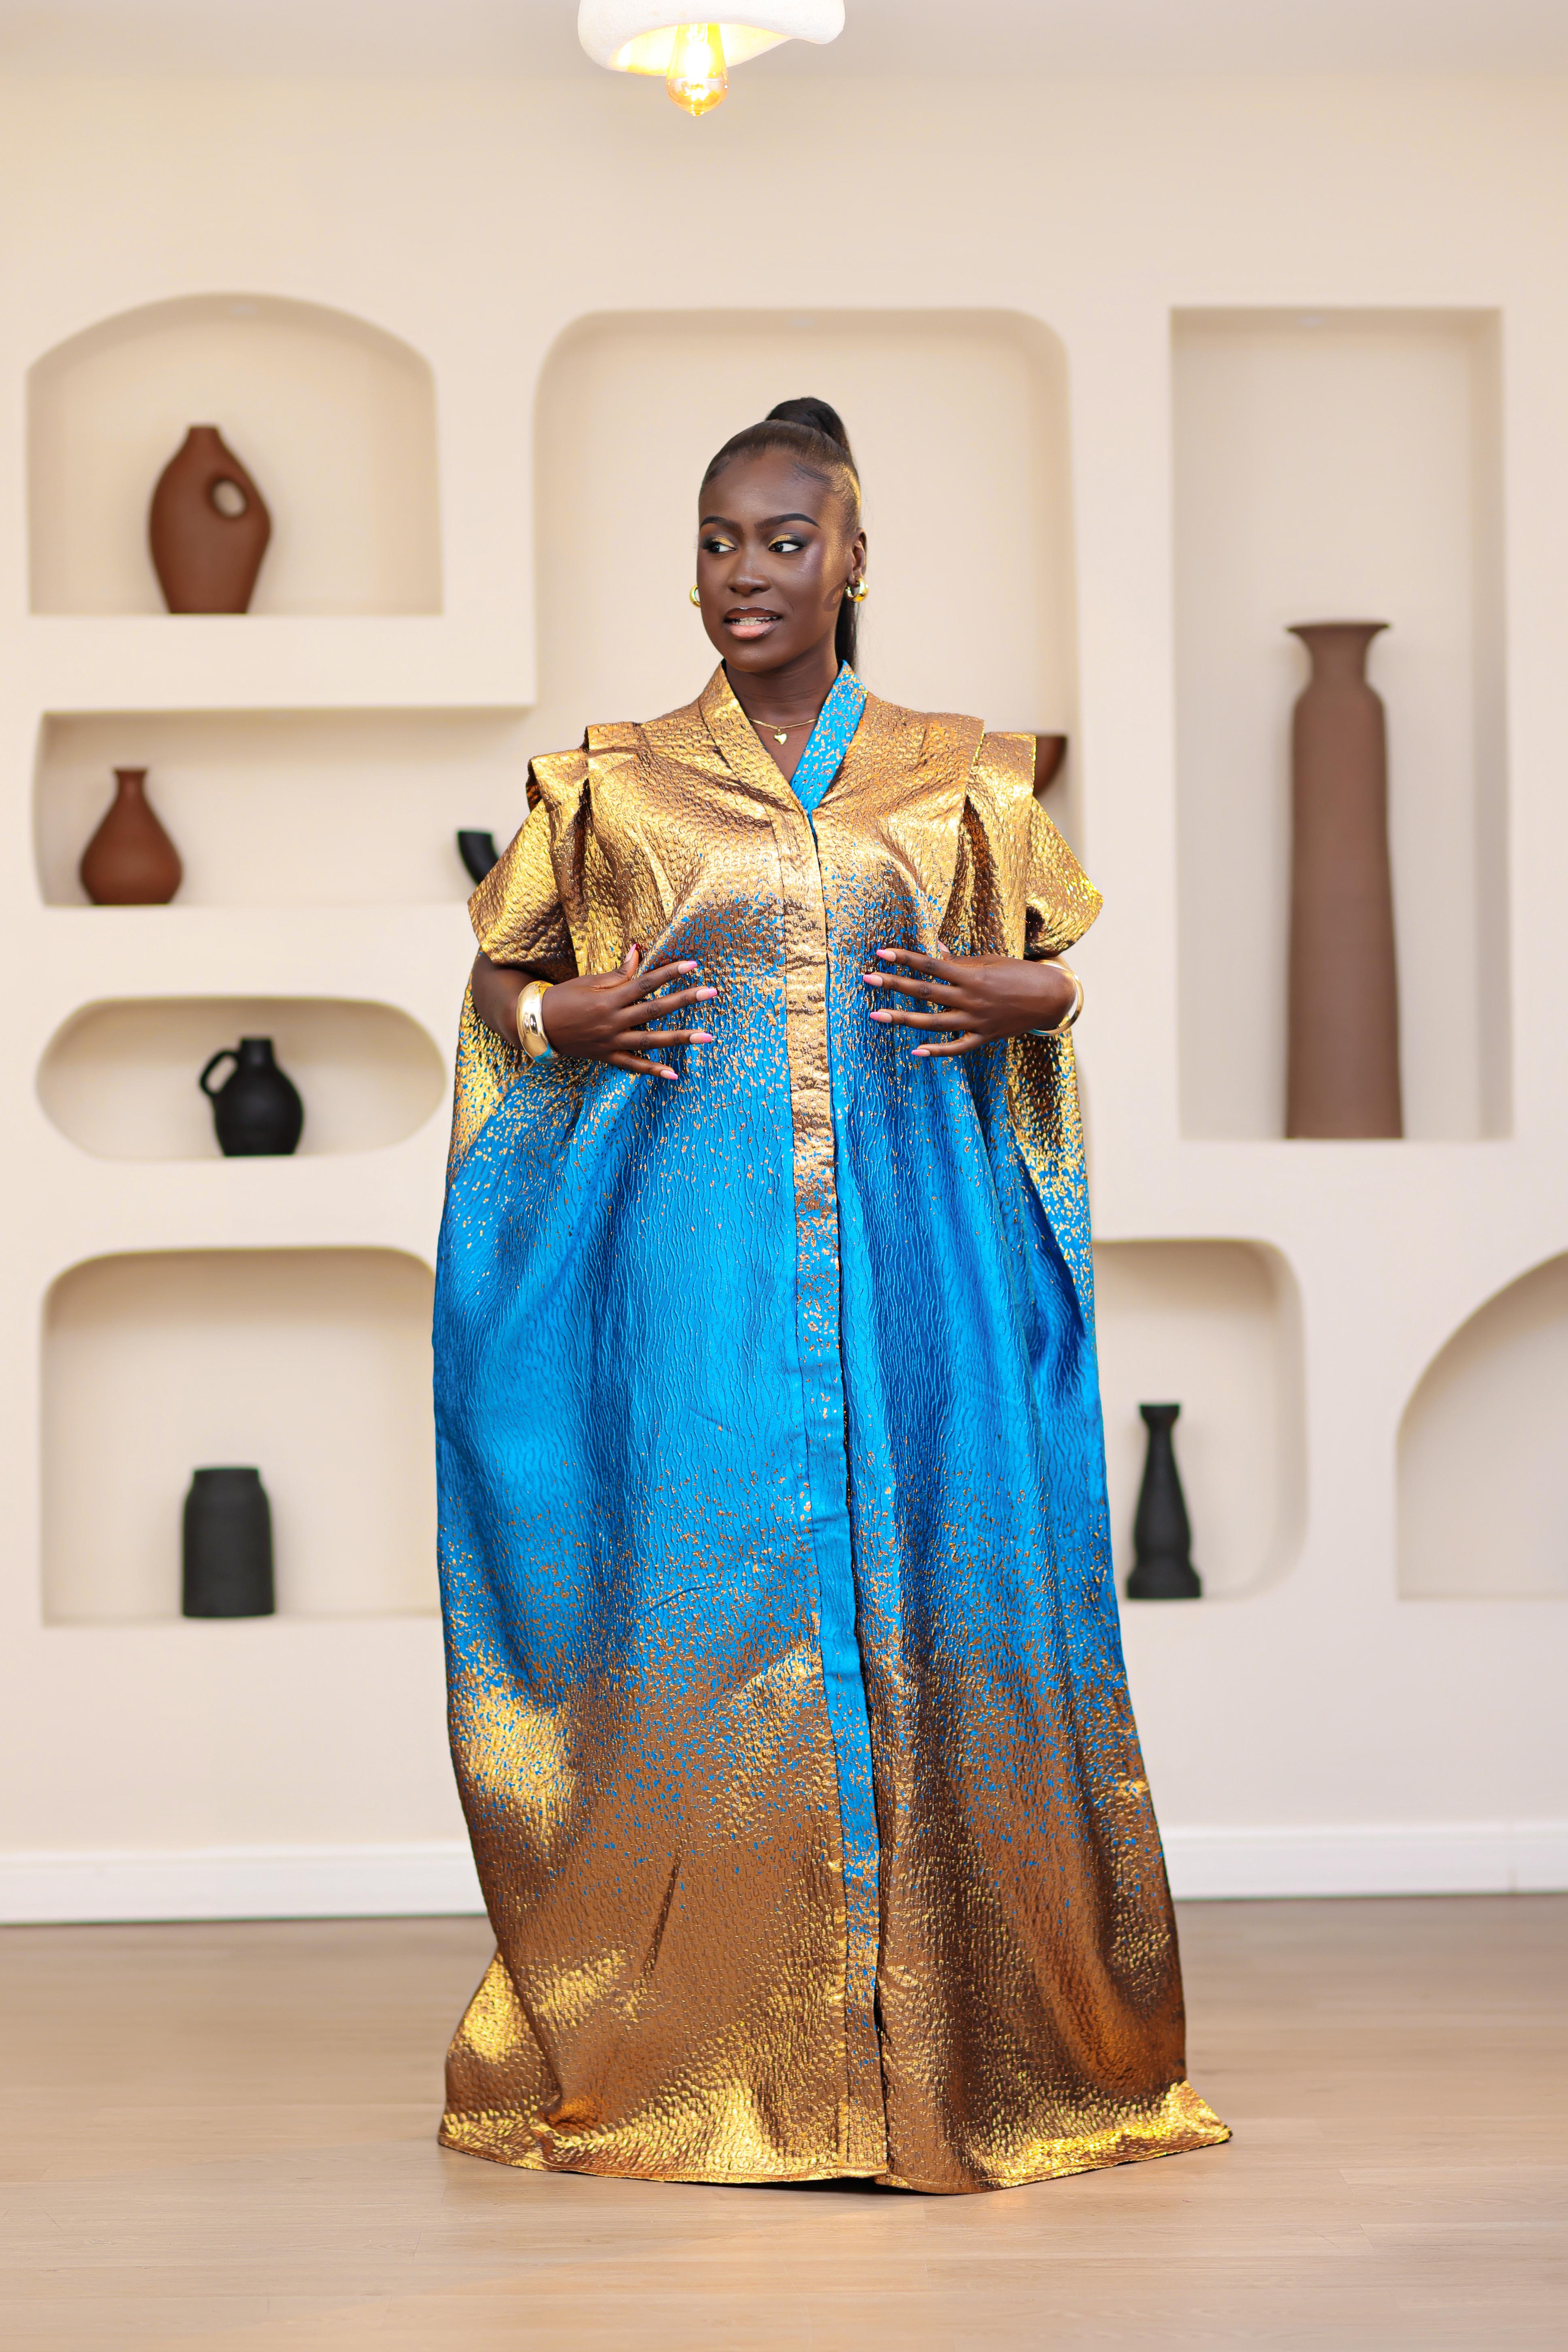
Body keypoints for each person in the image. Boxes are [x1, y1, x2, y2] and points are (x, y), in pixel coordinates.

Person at [433, 397, 1227, 2194]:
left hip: (916, 1291)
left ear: (854, 558)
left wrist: (1037, 998)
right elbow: (495, 978)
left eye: (784, 542)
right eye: (719, 543)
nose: (747, 574)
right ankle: (713, 2059)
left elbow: (1048, 968)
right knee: (705, 1643)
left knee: (938, 1619)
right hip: (692, 1304)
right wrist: (556, 1014)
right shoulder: (614, 784)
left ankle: (953, 2056)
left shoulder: (962, 776)